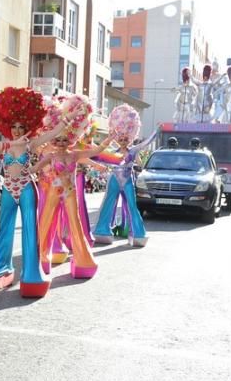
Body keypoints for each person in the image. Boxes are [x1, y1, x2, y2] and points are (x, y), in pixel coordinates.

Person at [0, 88, 67, 295]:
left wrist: (67, 120)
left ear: (28, 127)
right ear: (8, 126)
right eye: (14, 126)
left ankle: (31, 274)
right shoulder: (6, 145)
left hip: (26, 188)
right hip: (8, 189)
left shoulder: (31, 143)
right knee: (3, 228)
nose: (17, 130)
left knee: (29, 229)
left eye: (21, 127)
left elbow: (52, 133)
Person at [33, 96, 113, 281]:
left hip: (70, 193)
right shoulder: (49, 155)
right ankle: (40, 257)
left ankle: (82, 260)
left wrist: (108, 139)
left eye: (64, 140)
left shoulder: (75, 154)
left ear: (70, 139)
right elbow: (32, 168)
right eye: (57, 140)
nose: (61, 143)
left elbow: (95, 151)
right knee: (44, 222)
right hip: (53, 190)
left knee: (75, 224)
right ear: (53, 140)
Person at [92, 106, 157, 247]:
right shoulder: (111, 151)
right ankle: (102, 231)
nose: (122, 139)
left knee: (132, 206)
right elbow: (95, 155)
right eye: (120, 137)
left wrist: (157, 130)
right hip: (114, 179)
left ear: (131, 136)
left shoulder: (133, 151)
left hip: (127, 180)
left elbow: (147, 143)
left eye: (125, 137)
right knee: (108, 204)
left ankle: (138, 234)